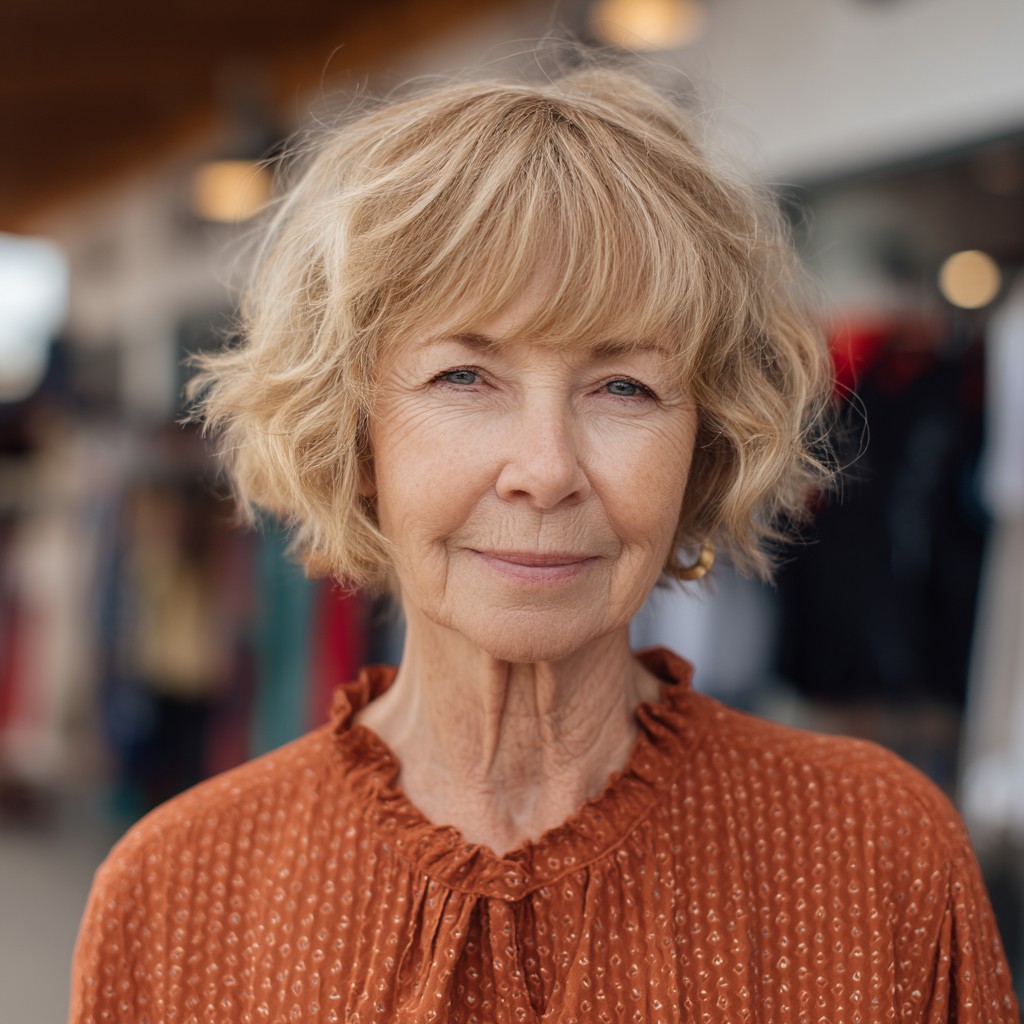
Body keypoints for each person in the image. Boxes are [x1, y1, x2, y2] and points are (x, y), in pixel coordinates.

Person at [70, 64, 1018, 1023]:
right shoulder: (176, 895)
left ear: (703, 447)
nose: (546, 467)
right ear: (355, 437)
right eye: (465, 377)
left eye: (624, 387)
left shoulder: (875, 856)